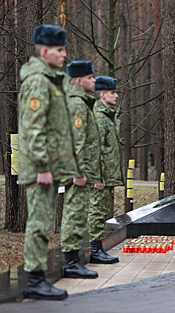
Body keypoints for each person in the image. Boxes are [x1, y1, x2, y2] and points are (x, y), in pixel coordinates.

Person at [18, 25, 84, 300]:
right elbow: (34, 128)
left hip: (47, 167)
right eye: (59, 50)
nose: (64, 55)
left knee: (43, 222)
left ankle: (38, 277)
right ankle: (35, 280)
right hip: (39, 169)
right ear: (44, 51)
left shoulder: (51, 80)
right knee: (39, 222)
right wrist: (43, 166)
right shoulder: (38, 81)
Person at [60, 61, 103, 279]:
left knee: (78, 213)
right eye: (90, 78)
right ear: (79, 81)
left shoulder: (82, 102)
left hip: (83, 169)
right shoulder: (76, 104)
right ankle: (70, 262)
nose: (94, 81)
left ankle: (72, 261)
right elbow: (75, 140)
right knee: (74, 214)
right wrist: (78, 171)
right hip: (78, 171)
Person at [88, 76, 123, 264]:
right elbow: (95, 148)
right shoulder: (99, 117)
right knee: (97, 211)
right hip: (99, 176)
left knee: (103, 212)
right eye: (112, 92)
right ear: (102, 94)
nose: (116, 96)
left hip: (106, 175)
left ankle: (98, 250)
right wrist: (97, 176)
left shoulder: (108, 115)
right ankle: (95, 251)